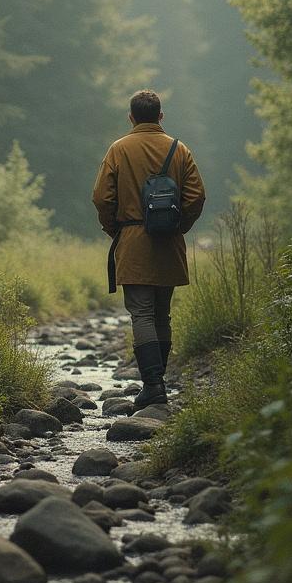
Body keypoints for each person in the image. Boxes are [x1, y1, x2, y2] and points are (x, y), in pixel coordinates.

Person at [92, 89, 206, 408]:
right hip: (169, 244)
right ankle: (158, 385)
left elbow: (102, 198)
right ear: (160, 116)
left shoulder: (119, 149)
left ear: (131, 117)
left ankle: (153, 386)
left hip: (132, 241)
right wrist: (179, 226)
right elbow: (196, 197)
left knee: (141, 313)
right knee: (162, 313)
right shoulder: (179, 149)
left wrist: (115, 228)